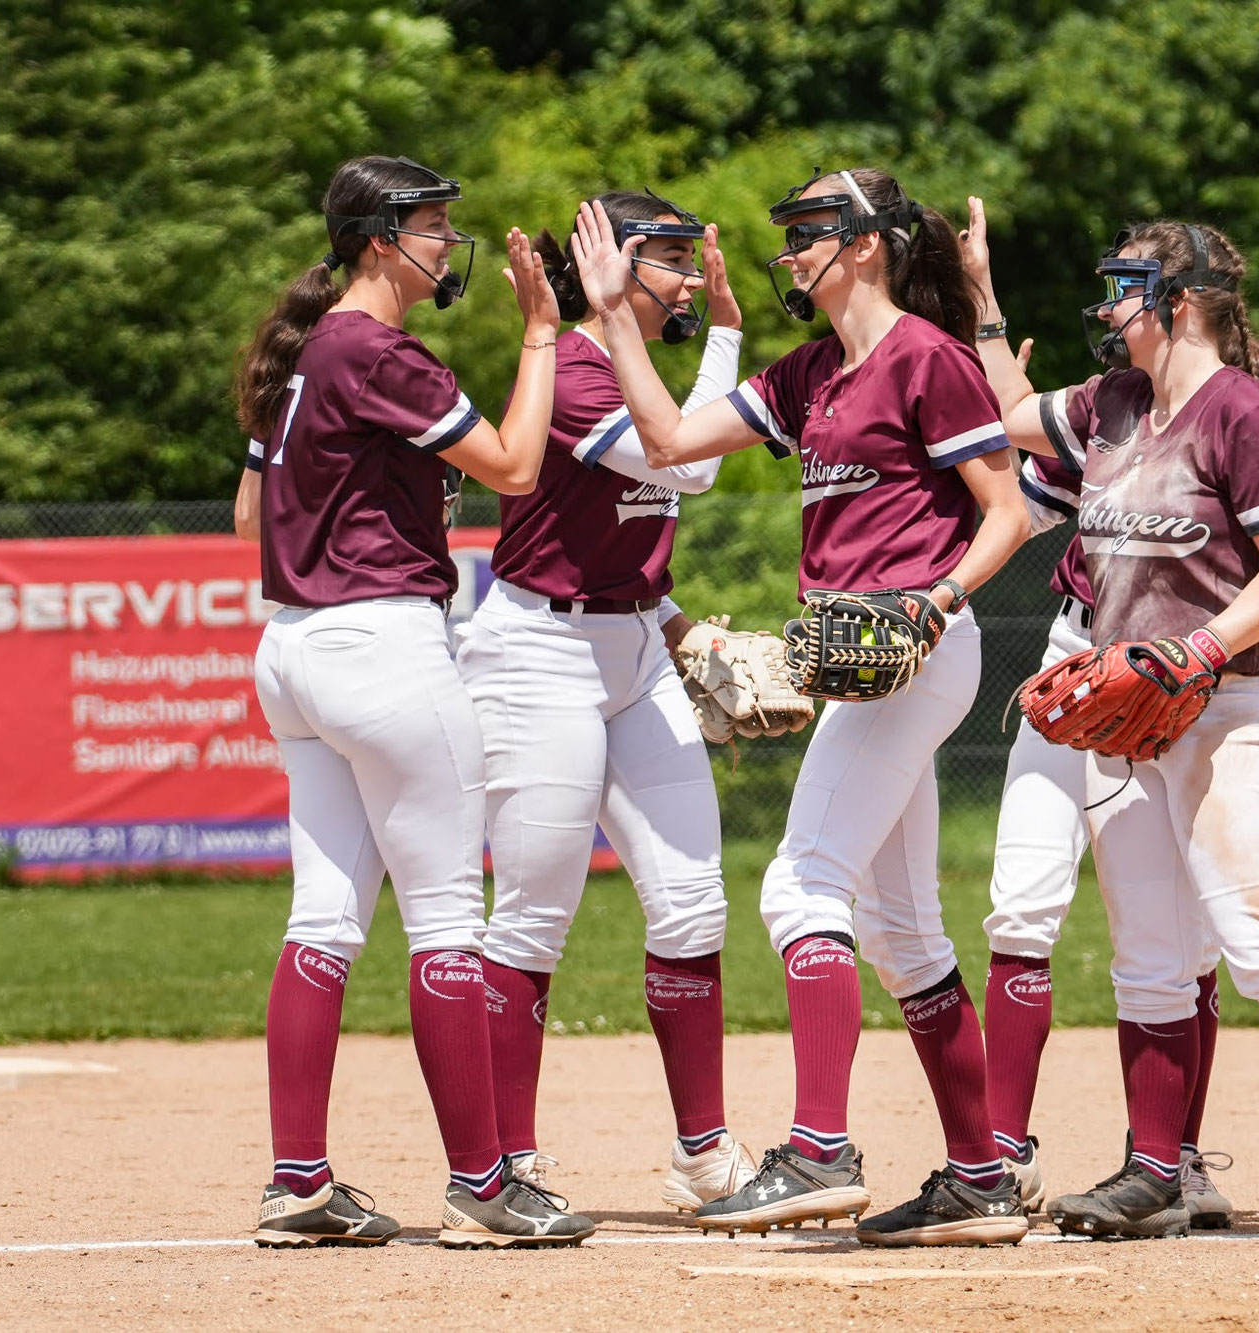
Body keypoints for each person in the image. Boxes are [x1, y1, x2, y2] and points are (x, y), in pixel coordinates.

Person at [565, 167, 1032, 1246]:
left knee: (798, 882)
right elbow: (674, 446)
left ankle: (819, 1148)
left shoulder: (927, 357)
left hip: (915, 644)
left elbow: (1004, 511)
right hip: (853, 658)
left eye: (813, 229)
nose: (792, 249)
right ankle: (979, 1174)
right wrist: (610, 322)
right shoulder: (811, 372)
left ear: (868, 244)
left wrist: (935, 601)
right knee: (903, 932)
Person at [967, 212, 1259, 1243]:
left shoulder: (1246, 415)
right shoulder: (1112, 404)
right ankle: (1155, 1170)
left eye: (1124, 287)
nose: (1106, 306)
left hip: (1232, 711)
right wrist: (984, 300)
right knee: (1149, 957)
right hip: (1128, 716)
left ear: (1177, 302)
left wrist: (1199, 649)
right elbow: (1009, 414)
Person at [231, 154, 594, 1248]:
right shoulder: (375, 346)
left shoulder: (304, 354)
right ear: (380, 239)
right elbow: (517, 467)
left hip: (291, 649)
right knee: (444, 917)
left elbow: (251, 511)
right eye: (433, 227)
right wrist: (541, 335)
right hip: (381, 646)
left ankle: (298, 1182)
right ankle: (484, 1182)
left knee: (324, 918)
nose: (449, 245)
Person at [452, 189, 759, 1215]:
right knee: (534, 913)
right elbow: (692, 463)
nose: (683, 274)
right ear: (610, 268)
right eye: (664, 257)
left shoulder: (623, 370)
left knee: (693, 900)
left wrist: (674, 627)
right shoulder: (576, 371)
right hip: (537, 649)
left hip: (630, 641)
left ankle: (706, 1158)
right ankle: (505, 1163)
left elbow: (668, 465)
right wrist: (722, 339)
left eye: (684, 257)